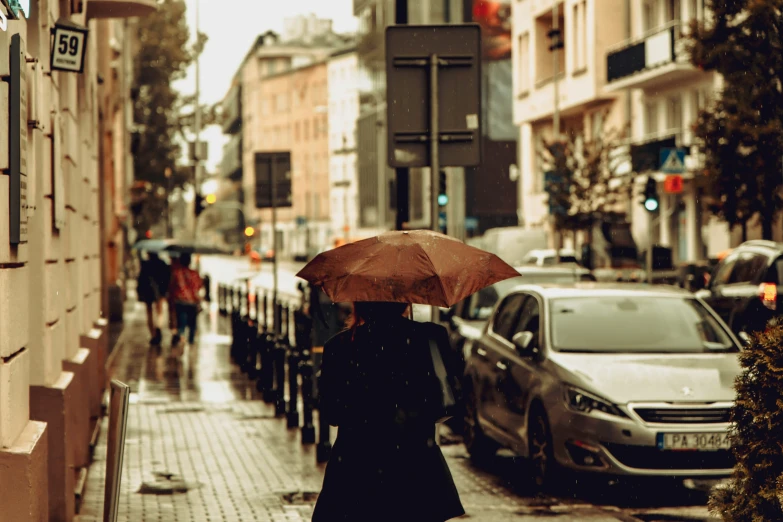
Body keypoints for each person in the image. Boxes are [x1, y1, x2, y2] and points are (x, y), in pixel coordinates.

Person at [312, 301, 465, 522]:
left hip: (356, 470)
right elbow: (447, 400)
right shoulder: (429, 338)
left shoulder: (340, 346)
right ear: (404, 301)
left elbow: (332, 413)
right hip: (414, 468)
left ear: (360, 304)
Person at [168, 253, 203, 349]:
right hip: (192, 302)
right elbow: (200, 285)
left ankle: (181, 339)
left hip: (180, 301)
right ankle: (191, 343)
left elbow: (172, 287)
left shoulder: (176, 273)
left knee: (181, 323)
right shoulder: (194, 273)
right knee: (192, 324)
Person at [136, 251, 171, 345]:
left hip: (148, 292)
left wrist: (140, 292)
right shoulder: (162, 264)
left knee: (149, 312)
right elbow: (167, 277)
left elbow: (141, 279)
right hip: (160, 291)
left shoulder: (145, 264)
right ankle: (158, 327)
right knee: (160, 310)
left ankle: (153, 334)